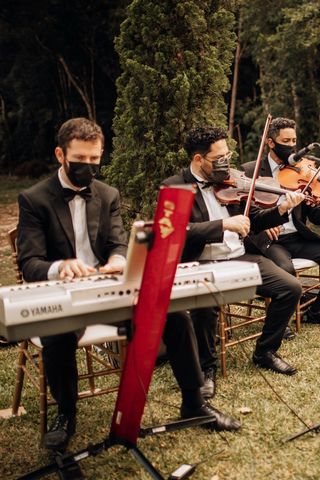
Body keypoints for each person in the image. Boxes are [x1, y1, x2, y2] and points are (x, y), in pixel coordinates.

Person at [17, 118, 239, 452]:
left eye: (95, 159)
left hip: (107, 291)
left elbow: (118, 243)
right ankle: (66, 414)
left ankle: (194, 402)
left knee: (173, 314)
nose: (89, 166)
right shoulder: (34, 199)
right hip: (63, 295)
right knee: (58, 334)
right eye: (81, 159)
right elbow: (29, 264)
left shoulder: (107, 195)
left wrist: (121, 260)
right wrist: (60, 267)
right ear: (60, 155)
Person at [163, 125, 305, 378]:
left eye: (228, 156)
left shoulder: (232, 181)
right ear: (198, 159)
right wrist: (222, 225)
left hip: (240, 256)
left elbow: (255, 220)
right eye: (219, 159)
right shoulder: (175, 186)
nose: (226, 163)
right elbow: (176, 230)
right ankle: (206, 368)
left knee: (290, 288)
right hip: (201, 262)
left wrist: (282, 210)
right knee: (203, 305)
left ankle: (266, 351)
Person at [241, 117, 320, 329]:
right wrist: (267, 221)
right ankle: (278, 324)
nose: (292, 146)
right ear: (271, 142)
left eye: (294, 140)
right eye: (286, 141)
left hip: (297, 236)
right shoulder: (251, 170)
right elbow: (243, 210)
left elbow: (315, 214)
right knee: (284, 271)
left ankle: (318, 310)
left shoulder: (302, 171)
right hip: (269, 240)